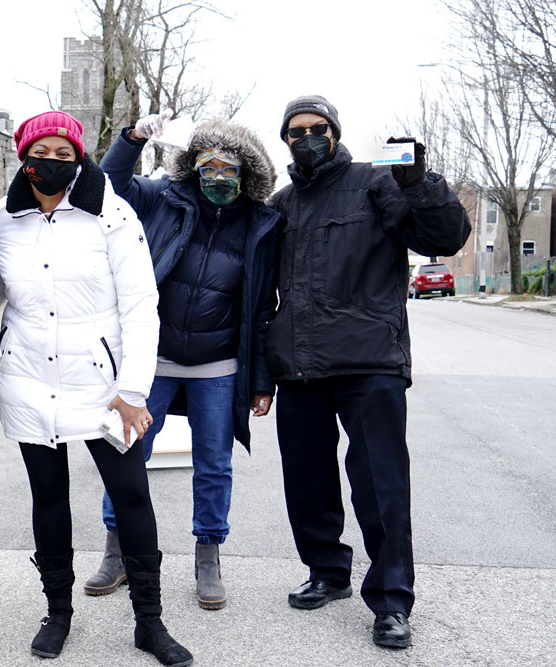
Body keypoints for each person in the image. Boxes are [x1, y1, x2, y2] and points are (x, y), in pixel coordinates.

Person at [266, 95, 471, 649]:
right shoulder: (281, 204)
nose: (306, 137)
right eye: (295, 131)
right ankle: (327, 572)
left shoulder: (376, 184)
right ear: (285, 140)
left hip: (369, 360)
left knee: (380, 483)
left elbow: (444, 238)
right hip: (300, 365)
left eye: (317, 128)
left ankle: (390, 600)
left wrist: (417, 182)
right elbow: (261, 293)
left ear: (335, 132)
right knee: (306, 479)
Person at [0, 110, 192, 667]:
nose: (51, 162)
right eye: (41, 152)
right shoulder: (3, 219)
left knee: (131, 495)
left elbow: (140, 305)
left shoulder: (111, 215)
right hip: (29, 379)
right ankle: (57, 612)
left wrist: (134, 390)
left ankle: (149, 623)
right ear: (23, 154)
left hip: (105, 387)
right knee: (48, 496)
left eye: (63, 153)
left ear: (78, 158)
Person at [92, 115, 280, 610]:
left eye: (229, 166)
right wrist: (131, 138)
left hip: (217, 364)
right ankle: (119, 551)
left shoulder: (262, 225)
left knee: (214, 463)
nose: (218, 174)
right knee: (128, 452)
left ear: (246, 172)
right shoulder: (164, 200)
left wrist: (262, 379)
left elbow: (262, 308)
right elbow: (108, 186)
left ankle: (208, 554)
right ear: (193, 166)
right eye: (207, 164)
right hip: (151, 357)